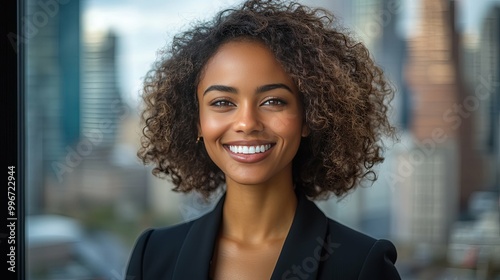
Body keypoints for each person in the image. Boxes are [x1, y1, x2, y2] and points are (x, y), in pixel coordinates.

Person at [126, 0, 401, 279]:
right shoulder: (152, 256)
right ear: (196, 121)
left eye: (273, 101)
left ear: (310, 117)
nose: (247, 123)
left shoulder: (362, 265)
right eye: (222, 102)